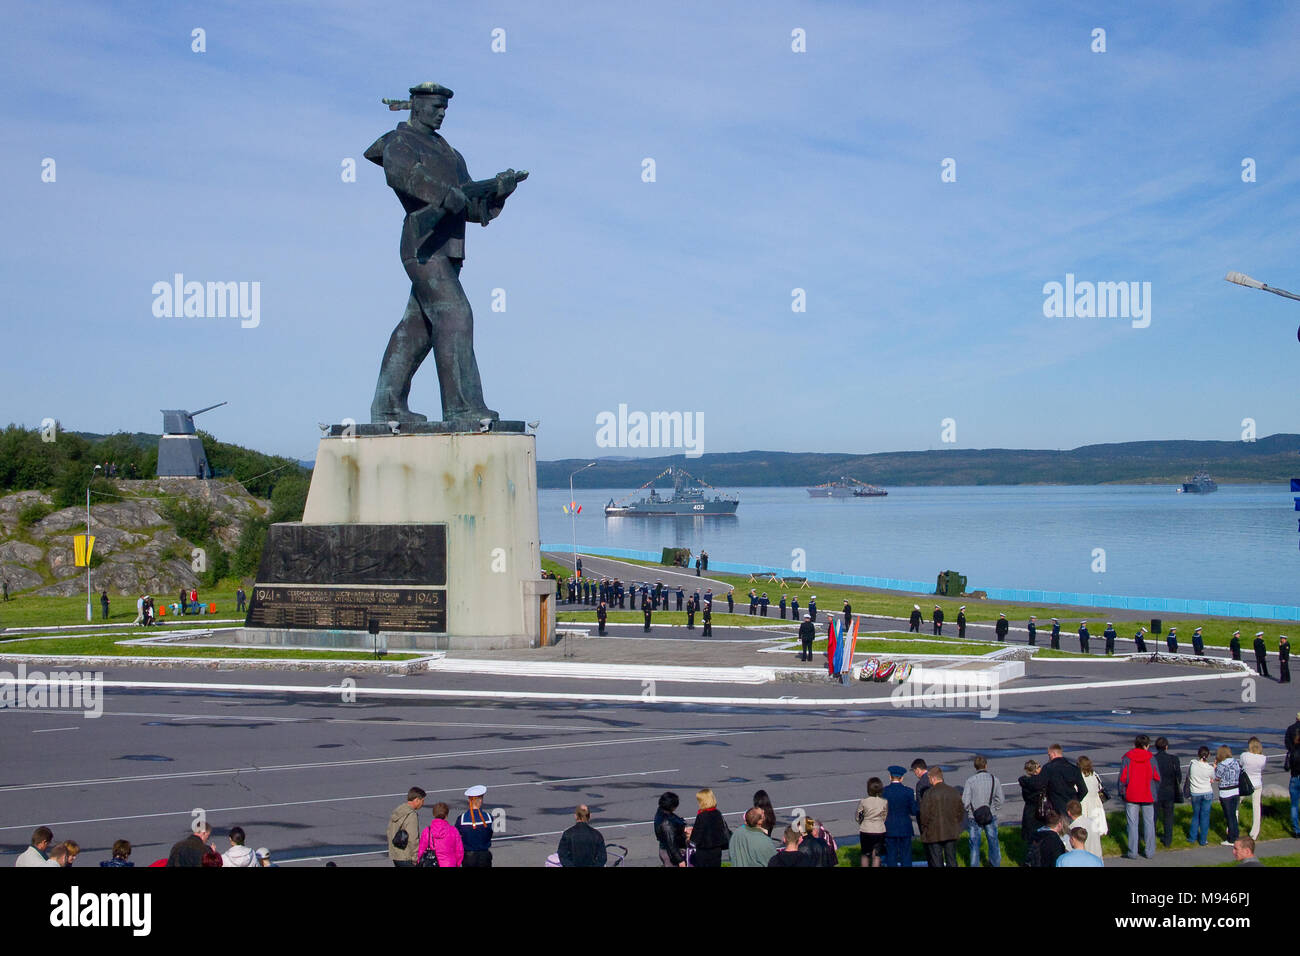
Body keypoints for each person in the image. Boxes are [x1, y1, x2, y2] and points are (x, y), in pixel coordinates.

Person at [1118, 734, 1160, 860]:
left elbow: (1122, 778)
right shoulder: (1151, 758)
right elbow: (1157, 777)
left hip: (1131, 794)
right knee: (1149, 823)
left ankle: (1132, 851)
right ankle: (1150, 851)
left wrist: (1122, 792)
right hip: (1147, 794)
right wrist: (1154, 791)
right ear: (1146, 745)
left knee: (1132, 824)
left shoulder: (1127, 758)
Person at [961, 756, 1003, 868]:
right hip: (990, 814)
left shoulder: (970, 781)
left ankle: (974, 864)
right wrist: (995, 808)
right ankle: (995, 863)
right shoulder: (995, 779)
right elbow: (1000, 799)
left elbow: (965, 802)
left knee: (974, 844)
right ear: (986, 765)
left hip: (974, 816)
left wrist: (969, 810)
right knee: (993, 841)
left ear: (975, 767)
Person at [918, 767, 963, 867]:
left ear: (933, 778)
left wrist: (925, 828)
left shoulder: (928, 793)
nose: (929, 781)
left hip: (933, 832)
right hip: (951, 831)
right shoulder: (953, 791)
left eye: (929, 778)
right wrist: (955, 824)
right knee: (951, 859)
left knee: (936, 861)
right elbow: (960, 811)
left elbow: (924, 815)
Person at [882, 766, 919, 867]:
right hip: (904, 826)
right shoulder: (908, 792)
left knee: (891, 855)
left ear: (890, 777)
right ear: (902, 778)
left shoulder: (884, 791)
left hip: (889, 827)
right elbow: (913, 810)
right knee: (906, 855)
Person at [689, 788, 731, 868]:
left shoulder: (701, 816)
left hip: (703, 851)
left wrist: (690, 842)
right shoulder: (717, 813)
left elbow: (697, 835)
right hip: (716, 849)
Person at [1040, 744, 1087, 815]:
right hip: (1071, 807)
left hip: (1055, 807)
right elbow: (1084, 790)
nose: (1049, 757)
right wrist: (1075, 801)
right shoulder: (1074, 769)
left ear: (1053, 754)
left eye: (1049, 755)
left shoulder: (1047, 768)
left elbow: (1041, 785)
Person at [1152, 738, 1182, 848]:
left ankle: (1151, 838)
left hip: (1156, 791)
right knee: (1168, 817)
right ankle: (1168, 840)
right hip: (1169, 791)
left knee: (1153, 816)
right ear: (1166, 747)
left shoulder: (1152, 759)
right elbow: (1178, 776)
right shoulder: (1173, 759)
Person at [457, 784, 495, 867]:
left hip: (468, 857)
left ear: (469, 800)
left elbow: (458, 837)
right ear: (481, 800)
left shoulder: (462, 819)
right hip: (484, 856)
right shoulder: (489, 817)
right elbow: (489, 834)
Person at [416, 802, 464, 867]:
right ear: (446, 815)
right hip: (450, 863)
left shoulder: (427, 831)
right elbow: (459, 851)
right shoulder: (453, 831)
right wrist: (457, 864)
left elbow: (421, 851)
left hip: (431, 863)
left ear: (434, 814)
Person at [1078, 755, 1108, 857]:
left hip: (1084, 804)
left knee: (1084, 828)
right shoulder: (1094, 775)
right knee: (1095, 828)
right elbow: (1099, 787)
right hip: (1095, 804)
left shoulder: (1079, 777)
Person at [387, 786, 425, 867]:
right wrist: (415, 858)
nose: (423, 803)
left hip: (396, 855)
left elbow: (389, 831)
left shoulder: (398, 810)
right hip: (406, 857)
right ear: (416, 800)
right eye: (422, 801)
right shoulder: (411, 815)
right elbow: (413, 839)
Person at [1213, 745, 1243, 846]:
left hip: (1226, 793)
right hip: (1236, 791)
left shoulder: (1221, 765)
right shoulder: (1235, 762)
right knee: (1233, 815)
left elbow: (1216, 777)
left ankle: (1231, 839)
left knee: (1229, 816)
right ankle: (1236, 835)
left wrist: (1215, 767)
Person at [855, 777, 888, 867]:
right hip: (879, 830)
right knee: (877, 855)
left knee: (865, 855)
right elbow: (884, 816)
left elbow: (858, 816)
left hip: (866, 829)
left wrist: (861, 822)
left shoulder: (864, 801)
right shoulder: (884, 802)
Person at [1186, 746, 1215, 846]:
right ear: (1208, 755)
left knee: (1196, 815)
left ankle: (1192, 837)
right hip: (1207, 792)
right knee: (1205, 816)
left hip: (1195, 793)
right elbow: (1212, 779)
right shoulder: (1210, 768)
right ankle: (1203, 840)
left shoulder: (1193, 763)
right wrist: (1214, 767)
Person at [1240, 737, 1267, 841]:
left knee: (1237, 803)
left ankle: (1232, 827)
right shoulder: (1263, 758)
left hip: (1245, 783)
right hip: (1257, 784)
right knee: (1256, 807)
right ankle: (1254, 832)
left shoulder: (1245, 756)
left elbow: (1241, 765)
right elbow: (1262, 768)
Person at [654, 792, 688, 867]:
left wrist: (682, 828)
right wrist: (680, 860)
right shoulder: (667, 823)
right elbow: (671, 843)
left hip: (666, 850)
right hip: (670, 853)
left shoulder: (661, 812)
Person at [1019, 760, 1048, 842]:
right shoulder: (1042, 782)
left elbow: (1025, 797)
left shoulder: (1026, 782)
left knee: (1031, 839)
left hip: (1029, 810)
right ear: (1036, 769)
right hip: (1042, 810)